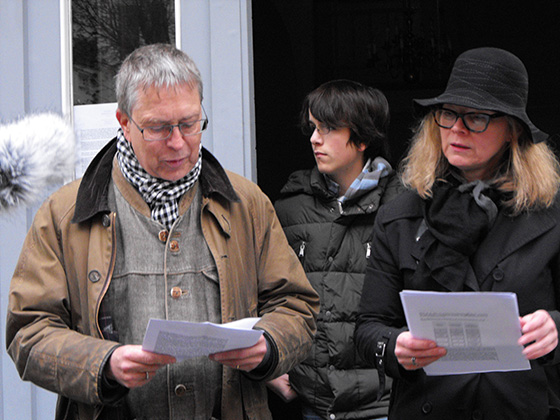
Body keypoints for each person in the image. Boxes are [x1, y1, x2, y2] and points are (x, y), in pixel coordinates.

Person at [6, 43, 319, 420]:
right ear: (123, 121)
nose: (178, 142)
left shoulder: (246, 204)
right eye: (158, 127)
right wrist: (103, 363)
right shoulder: (64, 214)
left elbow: (297, 306)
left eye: (189, 124)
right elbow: (28, 331)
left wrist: (268, 346)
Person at [354, 47, 560, 420]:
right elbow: (368, 328)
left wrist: (556, 327)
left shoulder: (550, 216)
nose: (457, 129)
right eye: (448, 115)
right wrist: (395, 346)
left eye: (477, 117)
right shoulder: (400, 215)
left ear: (512, 131)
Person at [271, 79, 403, 420]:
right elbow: (264, 295)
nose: (315, 139)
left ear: (361, 137)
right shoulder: (289, 208)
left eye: (328, 128)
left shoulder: (405, 207)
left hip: (385, 404)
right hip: (312, 403)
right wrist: (271, 365)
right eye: (314, 128)